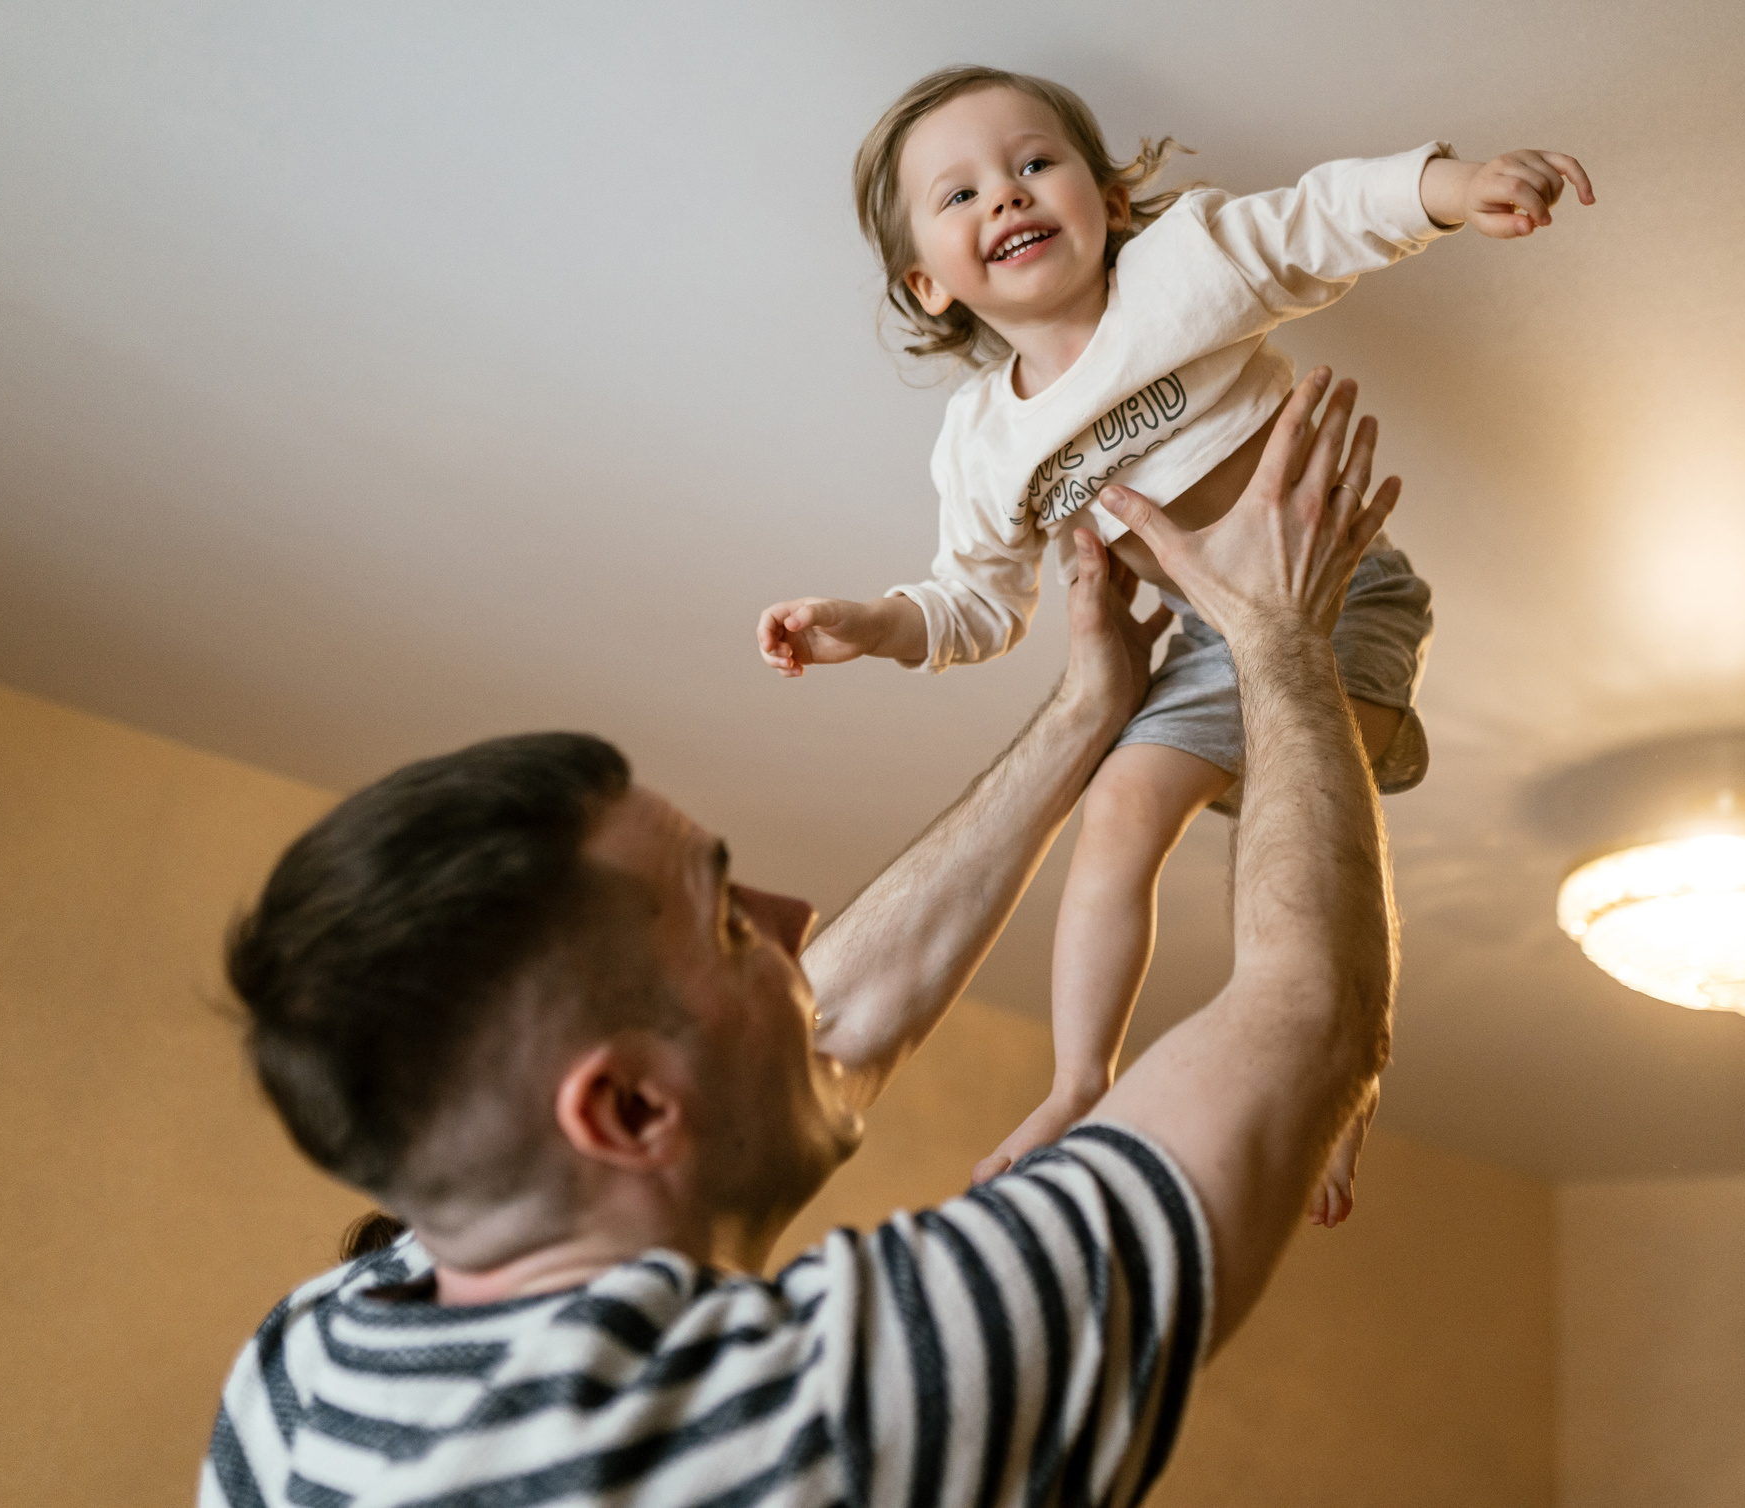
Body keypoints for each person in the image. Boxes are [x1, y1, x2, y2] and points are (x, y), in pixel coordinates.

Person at [205, 372, 1406, 1507]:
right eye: (731, 926)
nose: (797, 924)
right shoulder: (812, 1423)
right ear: (623, 1113)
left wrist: (1086, 711)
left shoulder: (317, 1360)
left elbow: (814, 1027)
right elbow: (1306, 1018)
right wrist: (1279, 634)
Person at [757, 65, 1591, 1214]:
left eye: (1034, 163)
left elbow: (1319, 218)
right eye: (958, 195)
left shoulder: (1182, 270)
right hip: (1207, 643)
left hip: (1338, 597)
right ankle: (1075, 1081)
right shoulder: (983, 445)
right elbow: (974, 602)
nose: (1004, 196)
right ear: (927, 283)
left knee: (1299, 854)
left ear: (1105, 199)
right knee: (1114, 813)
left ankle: (1340, 1078)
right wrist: (871, 623)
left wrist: (1451, 187)